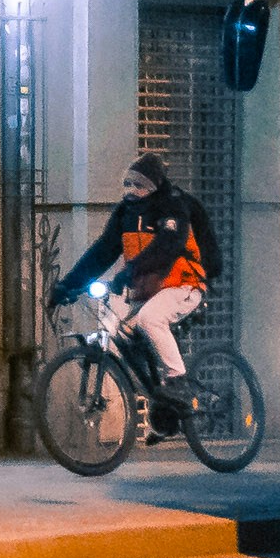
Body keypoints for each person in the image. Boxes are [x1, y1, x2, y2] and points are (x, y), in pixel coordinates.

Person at [55, 151, 216, 441]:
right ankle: (164, 414)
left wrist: (129, 274)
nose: (131, 191)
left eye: (138, 185)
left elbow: (167, 246)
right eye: (127, 184)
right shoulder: (125, 214)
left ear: (154, 186)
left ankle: (177, 379)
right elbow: (102, 252)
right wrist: (67, 286)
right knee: (125, 339)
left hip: (183, 285)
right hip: (149, 290)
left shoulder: (171, 206)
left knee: (149, 319)